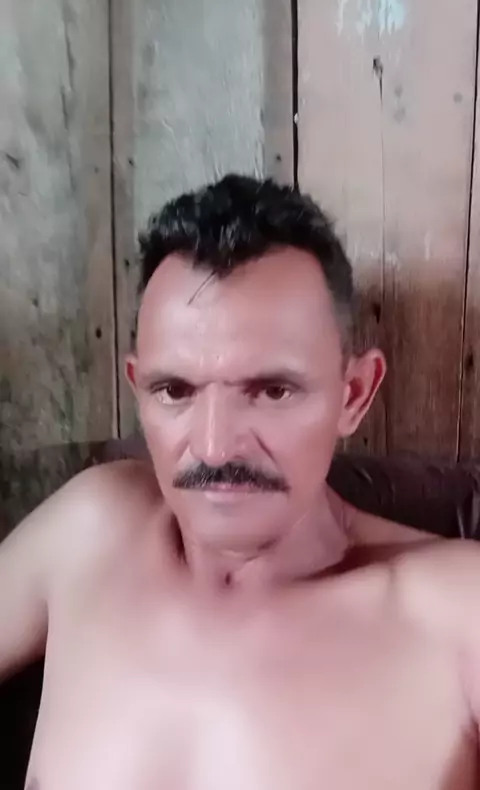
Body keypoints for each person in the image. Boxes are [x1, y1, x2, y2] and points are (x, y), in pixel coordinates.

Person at [1, 174, 479, 790]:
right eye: (175, 390)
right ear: (138, 388)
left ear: (354, 395)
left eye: (272, 391)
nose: (214, 446)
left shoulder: (456, 609)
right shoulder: (88, 528)